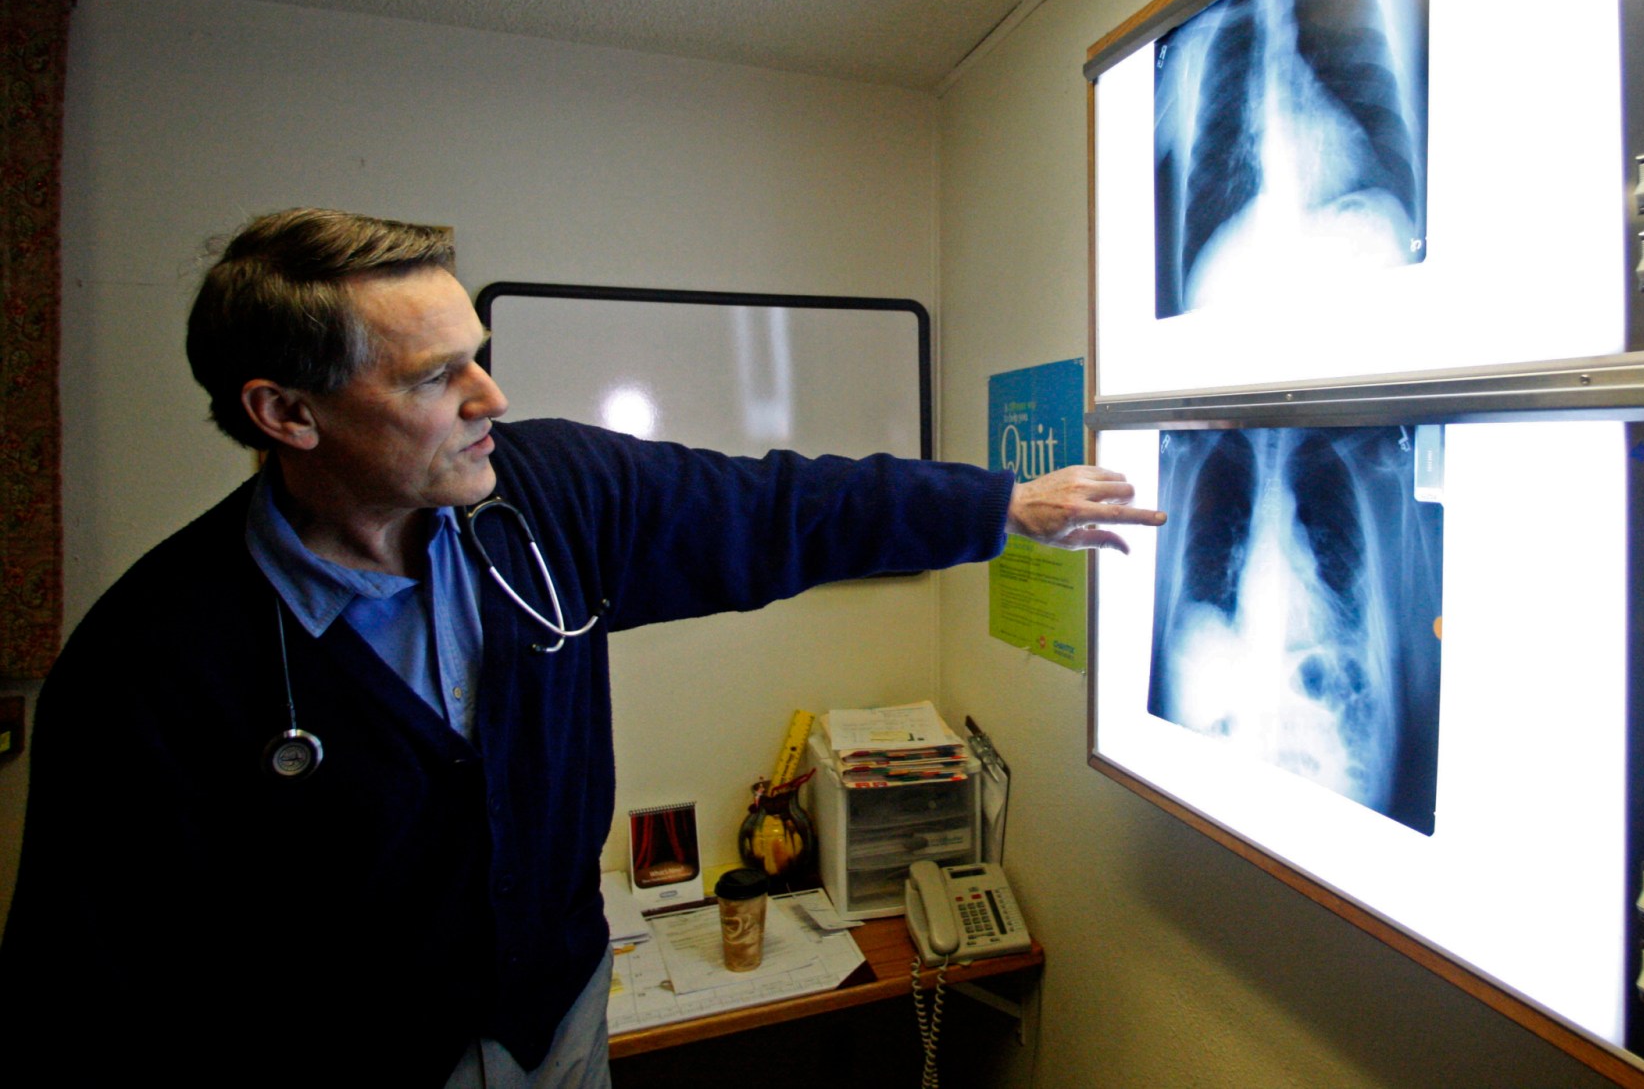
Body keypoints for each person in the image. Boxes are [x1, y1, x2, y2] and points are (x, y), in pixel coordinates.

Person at [0, 208, 1163, 1087]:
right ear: (287, 414)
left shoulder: (549, 495)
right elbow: (88, 987)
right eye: (433, 375)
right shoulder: (150, 659)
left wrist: (997, 505)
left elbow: (772, 508)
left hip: (556, 1017)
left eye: (479, 351)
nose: (490, 395)